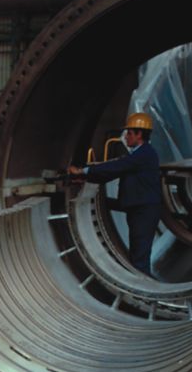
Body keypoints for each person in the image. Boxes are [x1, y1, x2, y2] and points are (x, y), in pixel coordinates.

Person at [68, 112, 162, 276]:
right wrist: (85, 178)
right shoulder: (140, 154)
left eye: (129, 133)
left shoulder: (144, 154)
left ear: (139, 134)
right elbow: (112, 173)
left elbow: (117, 167)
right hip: (138, 210)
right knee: (137, 253)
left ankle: (144, 294)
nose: (125, 138)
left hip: (143, 212)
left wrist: (82, 170)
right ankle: (142, 289)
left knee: (139, 257)